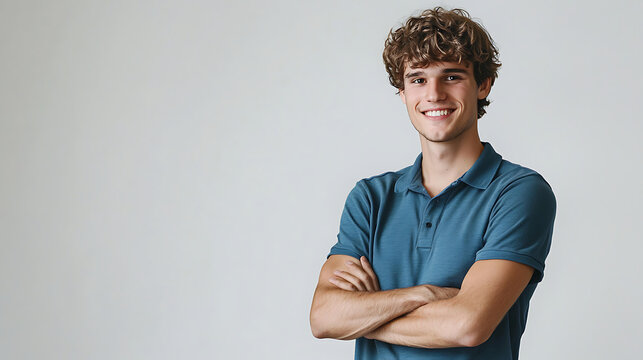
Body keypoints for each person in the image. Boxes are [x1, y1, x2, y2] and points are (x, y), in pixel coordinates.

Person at [309, 7, 557, 360]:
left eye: (452, 76)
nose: (434, 94)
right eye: (418, 79)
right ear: (403, 92)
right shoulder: (370, 198)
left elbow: (467, 325)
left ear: (483, 85)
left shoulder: (518, 192)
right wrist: (423, 294)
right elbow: (323, 317)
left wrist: (364, 314)